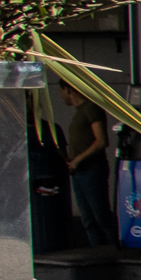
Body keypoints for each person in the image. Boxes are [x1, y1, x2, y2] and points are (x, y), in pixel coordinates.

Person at [59, 83, 114, 248]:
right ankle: (97, 250)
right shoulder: (80, 112)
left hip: (91, 170)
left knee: (100, 215)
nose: (61, 96)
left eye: (61, 91)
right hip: (80, 171)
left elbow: (101, 141)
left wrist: (77, 160)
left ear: (68, 89)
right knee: (88, 218)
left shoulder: (90, 108)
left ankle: (111, 249)